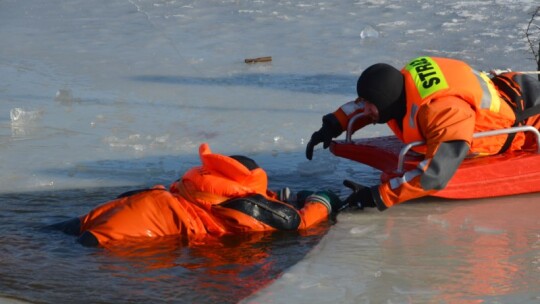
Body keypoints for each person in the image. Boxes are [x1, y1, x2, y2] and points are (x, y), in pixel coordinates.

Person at [306, 56, 540, 211]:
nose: (364, 109)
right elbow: (366, 103)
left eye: (370, 104)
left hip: (531, 117)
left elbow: (436, 174)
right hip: (513, 88)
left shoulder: (444, 111)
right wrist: (332, 126)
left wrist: (379, 195)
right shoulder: (401, 86)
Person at [52, 143, 345, 247]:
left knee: (54, 234)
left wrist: (281, 195)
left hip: (140, 202)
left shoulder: (196, 185)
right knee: (86, 246)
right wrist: (324, 199)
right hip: (147, 223)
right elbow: (296, 222)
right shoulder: (242, 207)